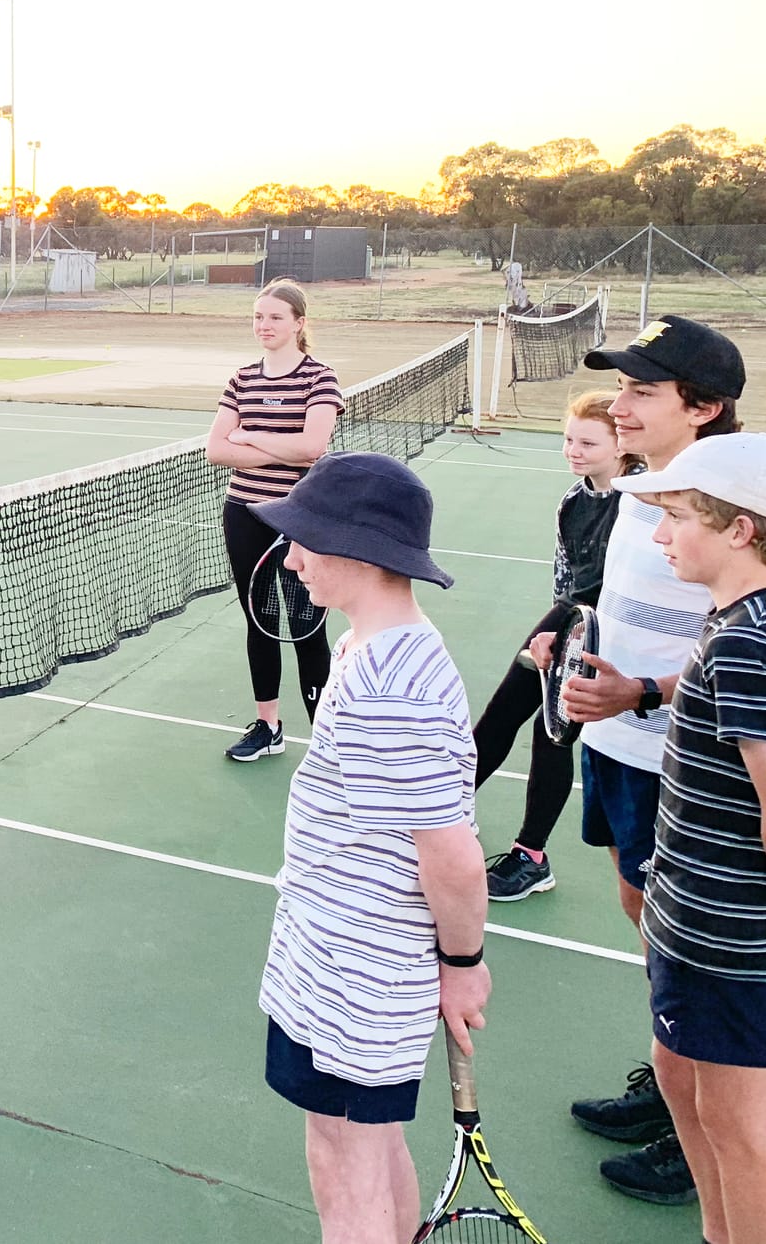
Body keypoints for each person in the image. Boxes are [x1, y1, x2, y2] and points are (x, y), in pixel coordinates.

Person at [252, 452, 489, 1244]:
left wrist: (462, 965)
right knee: (370, 1144)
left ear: (357, 549)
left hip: (358, 964)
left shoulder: (389, 688)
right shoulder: (374, 646)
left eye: (305, 539)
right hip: (337, 943)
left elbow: (452, 856)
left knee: (342, 1158)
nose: (291, 558)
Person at [609, 433, 766, 1244]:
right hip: (698, 922)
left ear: (740, 530)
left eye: (679, 518)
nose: (661, 535)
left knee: (741, 1128)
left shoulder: (746, 647)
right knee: (681, 1082)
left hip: (727, 937)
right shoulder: (758, 620)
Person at [559, 315, 747, 1206]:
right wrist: (570, 639)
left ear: (703, 407)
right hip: (616, 746)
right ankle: (671, 1085)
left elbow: (741, 642)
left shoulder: (726, 502)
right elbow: (622, 598)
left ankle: (697, 1128)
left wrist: (641, 693)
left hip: (679, 763)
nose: (621, 406)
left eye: (642, 391)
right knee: (643, 918)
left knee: (686, 952)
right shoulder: (641, 487)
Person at [476, 390, 640, 901]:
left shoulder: (641, 501)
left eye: (588, 443)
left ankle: (531, 856)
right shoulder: (572, 501)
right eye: (569, 440)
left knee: (553, 733)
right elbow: (565, 576)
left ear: (621, 445)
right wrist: (557, 634)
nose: (574, 450)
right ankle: (443, 815)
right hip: (569, 620)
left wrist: (583, 641)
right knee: (502, 713)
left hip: (610, 632)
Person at [205, 279, 343, 763]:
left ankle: (329, 741)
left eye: (275, 317)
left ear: (299, 324)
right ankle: (268, 727)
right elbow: (216, 450)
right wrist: (278, 448)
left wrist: (250, 436)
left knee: (307, 627)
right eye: (259, 317)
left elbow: (313, 447)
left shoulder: (319, 378)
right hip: (244, 515)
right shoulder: (242, 379)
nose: (264, 325)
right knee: (259, 623)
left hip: (299, 520)